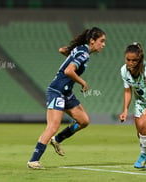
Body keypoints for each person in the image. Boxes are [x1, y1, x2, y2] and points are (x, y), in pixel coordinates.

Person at [27, 27, 106, 169]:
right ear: (92, 41)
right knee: (53, 126)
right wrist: (83, 82)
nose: (103, 44)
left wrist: (69, 53)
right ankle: (33, 160)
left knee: (84, 121)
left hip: (66, 92)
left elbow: (62, 50)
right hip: (56, 91)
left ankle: (57, 140)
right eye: (101, 41)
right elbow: (68, 71)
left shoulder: (81, 49)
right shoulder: (84, 53)